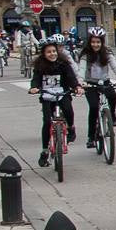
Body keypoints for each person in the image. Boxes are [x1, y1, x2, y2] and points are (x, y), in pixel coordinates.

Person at [29, 37, 82, 166]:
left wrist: (77, 87)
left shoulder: (63, 64)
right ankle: (44, 151)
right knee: (47, 121)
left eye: (54, 51)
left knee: (68, 110)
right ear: (43, 54)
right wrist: (34, 88)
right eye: (48, 52)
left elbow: (71, 78)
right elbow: (35, 79)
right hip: (47, 96)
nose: (52, 54)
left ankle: (71, 127)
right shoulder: (40, 66)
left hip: (62, 94)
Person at [76, 27, 116, 148]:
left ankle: (113, 114)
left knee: (113, 96)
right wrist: (80, 82)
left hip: (104, 82)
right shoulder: (85, 54)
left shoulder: (107, 53)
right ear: (89, 42)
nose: (96, 44)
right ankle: (90, 137)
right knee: (94, 107)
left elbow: (115, 66)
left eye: (98, 42)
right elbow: (82, 69)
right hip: (90, 84)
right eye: (93, 42)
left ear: (102, 42)